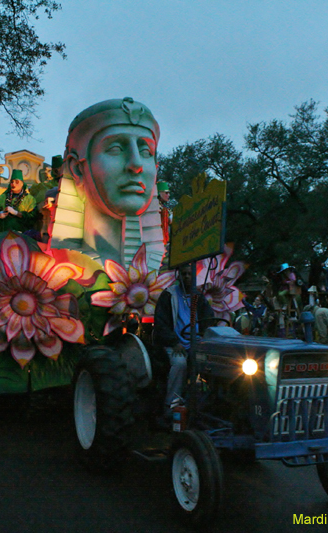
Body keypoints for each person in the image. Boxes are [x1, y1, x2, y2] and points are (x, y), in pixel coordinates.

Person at [50, 97, 166, 270]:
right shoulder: (45, 273)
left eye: (146, 151)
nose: (136, 164)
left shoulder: (182, 275)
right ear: (77, 169)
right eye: (116, 149)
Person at [153, 266, 214, 415]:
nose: (186, 276)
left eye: (189, 274)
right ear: (178, 275)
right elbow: (161, 324)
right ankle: (171, 406)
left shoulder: (198, 297)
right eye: (184, 273)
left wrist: (204, 339)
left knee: (209, 363)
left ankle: (205, 403)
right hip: (174, 343)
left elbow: (208, 320)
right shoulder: (169, 295)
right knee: (180, 364)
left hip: (195, 342)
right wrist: (174, 342)